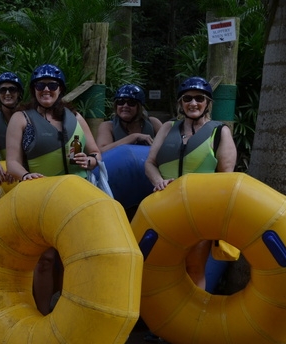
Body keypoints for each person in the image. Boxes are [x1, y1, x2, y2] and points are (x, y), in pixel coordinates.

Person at [6, 63, 102, 315]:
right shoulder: (21, 118)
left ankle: (74, 312)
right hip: (43, 197)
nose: (46, 90)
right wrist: (26, 175)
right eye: (40, 85)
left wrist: (89, 161)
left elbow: (95, 153)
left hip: (77, 195)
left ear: (60, 89)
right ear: (33, 89)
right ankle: (41, 314)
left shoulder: (76, 118)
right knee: (46, 259)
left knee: (75, 258)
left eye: (52, 85)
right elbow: (12, 162)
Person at [144, 76, 237, 290]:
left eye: (199, 98)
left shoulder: (220, 132)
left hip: (199, 210)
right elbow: (150, 163)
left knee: (194, 266)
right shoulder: (168, 128)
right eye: (187, 98)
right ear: (180, 103)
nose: (193, 103)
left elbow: (225, 175)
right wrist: (158, 181)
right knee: (161, 264)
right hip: (165, 205)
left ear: (207, 104)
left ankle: (195, 318)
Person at [96, 84, 163, 152]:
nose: (125, 106)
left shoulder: (153, 123)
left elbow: (169, 145)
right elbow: (101, 151)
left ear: (139, 107)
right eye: (120, 102)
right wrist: (133, 137)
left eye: (131, 102)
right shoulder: (108, 126)